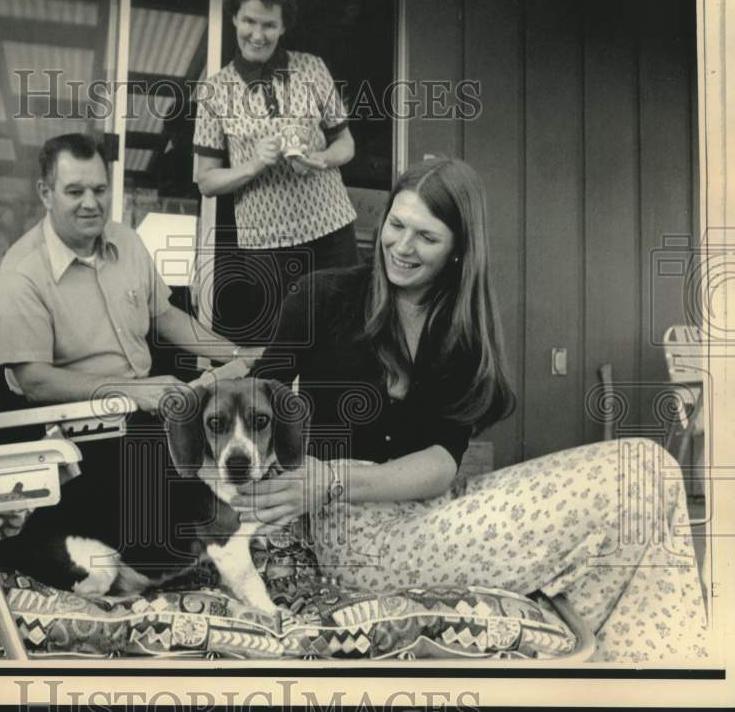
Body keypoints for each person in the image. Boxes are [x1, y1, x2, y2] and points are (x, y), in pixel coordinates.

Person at [241, 158, 708, 662]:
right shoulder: (322, 296)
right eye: (396, 225)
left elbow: (443, 461)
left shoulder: (460, 331)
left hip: (426, 510)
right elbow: (249, 404)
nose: (401, 246)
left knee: (648, 471)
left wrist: (330, 478)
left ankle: (639, 674)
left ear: (460, 248)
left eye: (426, 236)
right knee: (643, 473)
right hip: (358, 537)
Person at [0, 133, 258, 488]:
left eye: (99, 190)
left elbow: (166, 317)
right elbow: (35, 381)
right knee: (199, 491)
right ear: (45, 194)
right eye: (75, 192)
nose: (90, 203)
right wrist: (132, 392)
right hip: (74, 434)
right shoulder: (22, 270)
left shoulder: (127, 242)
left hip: (146, 416)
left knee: (248, 460)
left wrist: (240, 354)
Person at [194, 0, 359, 344]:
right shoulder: (214, 90)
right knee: (284, 344)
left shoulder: (312, 69)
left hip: (331, 230)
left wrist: (321, 160)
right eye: (249, 21)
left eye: (269, 24)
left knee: (347, 334)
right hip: (264, 244)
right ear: (234, 17)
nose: (257, 34)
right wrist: (253, 164)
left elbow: (346, 144)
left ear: (284, 26)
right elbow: (206, 180)